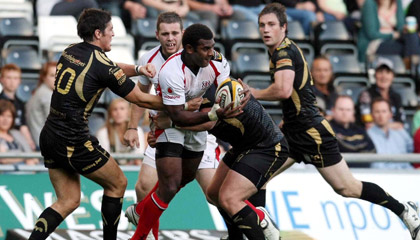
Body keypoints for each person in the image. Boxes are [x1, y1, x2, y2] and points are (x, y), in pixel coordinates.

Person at [249, 3, 420, 240]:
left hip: (312, 133)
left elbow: (284, 90)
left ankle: (404, 211)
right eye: (261, 25)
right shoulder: (279, 51)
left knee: (347, 188)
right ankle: (261, 234)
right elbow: (297, 94)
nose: (265, 30)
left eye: (271, 25)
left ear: (284, 27)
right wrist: (287, 121)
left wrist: (252, 93)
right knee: (258, 177)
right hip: (293, 131)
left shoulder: (284, 52)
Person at [28, 8, 165, 240]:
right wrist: (179, 103)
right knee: (118, 183)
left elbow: (109, 67)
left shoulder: (70, 50)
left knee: (68, 200)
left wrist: (139, 69)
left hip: (50, 134)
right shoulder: (100, 64)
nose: (113, 34)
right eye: (110, 30)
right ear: (99, 33)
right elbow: (140, 98)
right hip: (72, 139)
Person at [128, 23, 249, 240]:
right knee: (165, 185)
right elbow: (178, 116)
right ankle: (139, 237)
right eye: (206, 49)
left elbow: (224, 93)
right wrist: (213, 114)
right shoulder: (169, 71)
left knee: (185, 180)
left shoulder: (217, 61)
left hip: (195, 123)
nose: (211, 53)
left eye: (213, 47)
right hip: (172, 124)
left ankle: (140, 210)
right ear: (190, 49)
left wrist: (235, 97)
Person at [355, 57, 405, 129]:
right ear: (375, 75)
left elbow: (400, 125)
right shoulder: (366, 95)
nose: (384, 76)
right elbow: (368, 125)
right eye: (380, 72)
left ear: (393, 76)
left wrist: (384, 126)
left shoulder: (396, 96)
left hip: (393, 135)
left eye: (387, 72)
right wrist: (392, 125)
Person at [96, 98, 146, 165]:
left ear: (128, 112)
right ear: (111, 113)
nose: (118, 112)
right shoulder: (103, 132)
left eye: (122, 109)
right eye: (115, 109)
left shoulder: (137, 130)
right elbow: (104, 158)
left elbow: (139, 154)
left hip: (133, 167)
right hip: (111, 168)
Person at [367, 97, 413, 168]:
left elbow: (410, 151)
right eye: (377, 111)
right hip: (380, 176)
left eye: (384, 111)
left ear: (390, 114)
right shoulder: (367, 135)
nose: (381, 115)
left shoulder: (400, 132)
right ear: (372, 115)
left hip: (406, 174)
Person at [0, 64, 36, 151]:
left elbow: (22, 126)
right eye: (9, 78)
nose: (12, 82)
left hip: (19, 141)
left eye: (15, 78)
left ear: (19, 81)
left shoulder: (20, 103)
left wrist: (30, 142)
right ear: (2, 80)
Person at [25, 62, 57, 149]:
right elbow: (55, 124)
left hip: (39, 142)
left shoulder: (40, 91)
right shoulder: (47, 94)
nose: (56, 79)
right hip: (45, 145)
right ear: (44, 77)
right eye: (52, 75)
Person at [0, 100, 38, 165]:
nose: (5, 119)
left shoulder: (17, 133)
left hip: (27, 171)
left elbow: (31, 154)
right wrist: (25, 159)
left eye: (9, 116)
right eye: (2, 115)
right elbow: (3, 159)